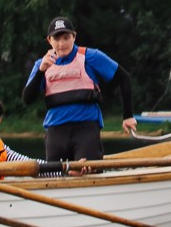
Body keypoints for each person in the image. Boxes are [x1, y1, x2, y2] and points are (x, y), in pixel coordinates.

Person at [19, 17, 139, 164]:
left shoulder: (91, 56)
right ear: (49, 40)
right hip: (56, 132)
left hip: (86, 130)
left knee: (89, 174)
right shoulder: (41, 64)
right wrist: (41, 71)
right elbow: (27, 98)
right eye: (57, 39)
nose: (62, 44)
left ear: (74, 37)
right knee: (55, 179)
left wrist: (128, 116)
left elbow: (123, 77)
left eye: (66, 37)